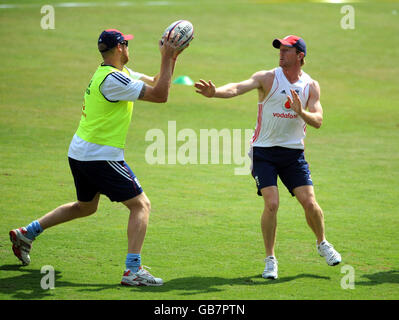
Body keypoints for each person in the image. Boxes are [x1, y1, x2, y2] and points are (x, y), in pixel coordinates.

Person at [9, 28, 185, 286]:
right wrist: (167, 55)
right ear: (120, 48)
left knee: (86, 206)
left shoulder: (116, 74)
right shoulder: (113, 80)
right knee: (141, 205)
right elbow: (161, 95)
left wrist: (171, 57)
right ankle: (132, 271)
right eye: (126, 43)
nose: (128, 47)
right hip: (100, 156)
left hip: (81, 153)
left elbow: (158, 81)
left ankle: (27, 233)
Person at [194, 35, 341, 279]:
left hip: (293, 154)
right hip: (264, 152)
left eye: (286, 50)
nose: (281, 54)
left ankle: (322, 243)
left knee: (310, 202)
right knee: (272, 203)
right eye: (280, 49)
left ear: (300, 56)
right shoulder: (268, 78)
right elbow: (237, 88)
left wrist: (300, 111)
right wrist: (215, 92)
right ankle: (270, 259)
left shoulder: (310, 86)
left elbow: (318, 121)